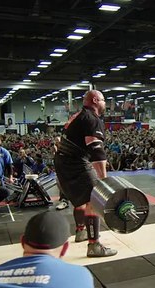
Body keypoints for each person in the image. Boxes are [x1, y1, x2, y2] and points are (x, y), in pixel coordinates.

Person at [54, 90, 117, 257]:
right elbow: (97, 151)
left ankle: (81, 231)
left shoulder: (78, 116)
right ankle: (94, 245)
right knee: (94, 200)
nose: (105, 104)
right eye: (103, 100)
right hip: (75, 163)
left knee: (81, 200)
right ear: (95, 100)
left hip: (63, 161)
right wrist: (104, 180)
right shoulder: (92, 119)